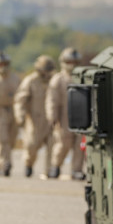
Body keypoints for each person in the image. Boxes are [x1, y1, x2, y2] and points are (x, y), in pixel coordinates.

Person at [14, 55, 56, 178]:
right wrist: (20, 115)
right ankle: (29, 164)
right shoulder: (30, 80)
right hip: (34, 120)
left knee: (52, 146)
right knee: (31, 146)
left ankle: (49, 171)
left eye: (49, 70)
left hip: (51, 120)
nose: (46, 73)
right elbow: (20, 100)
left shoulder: (54, 80)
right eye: (44, 69)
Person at [46, 48, 85, 180]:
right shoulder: (58, 79)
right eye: (69, 61)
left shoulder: (83, 77)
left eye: (75, 62)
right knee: (63, 144)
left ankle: (77, 170)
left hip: (82, 116)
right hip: (64, 117)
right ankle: (55, 167)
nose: (72, 65)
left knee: (80, 145)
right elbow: (52, 100)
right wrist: (52, 117)